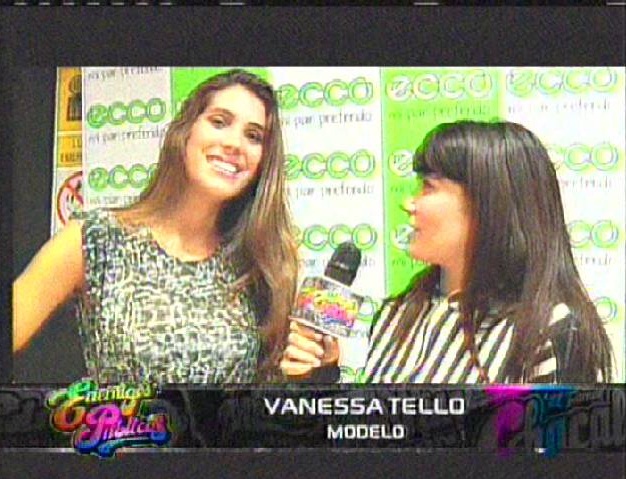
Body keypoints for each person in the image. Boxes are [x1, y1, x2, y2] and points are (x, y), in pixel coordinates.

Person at [14, 69, 298, 384]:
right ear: (185, 132)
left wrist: (316, 368)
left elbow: (272, 397)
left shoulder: (260, 263)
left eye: (254, 136)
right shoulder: (96, 238)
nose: (234, 143)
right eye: (219, 122)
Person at [280, 120, 614, 384]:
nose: (409, 204)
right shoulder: (396, 315)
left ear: (489, 206)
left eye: (429, 187)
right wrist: (321, 380)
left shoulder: (551, 330)